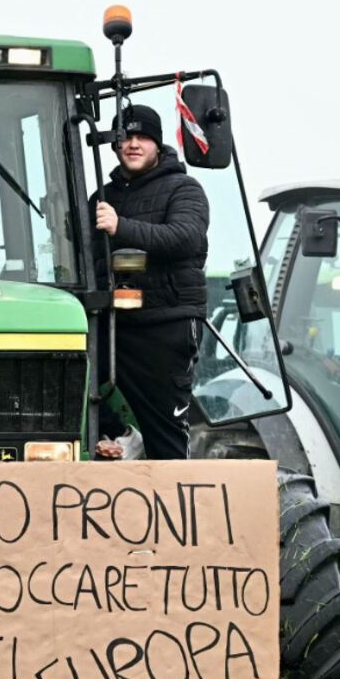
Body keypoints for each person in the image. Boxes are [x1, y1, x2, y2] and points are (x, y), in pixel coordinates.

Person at [90, 104, 210, 460]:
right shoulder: (101, 197)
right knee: (64, 372)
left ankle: (172, 496)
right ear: (114, 145)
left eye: (143, 137)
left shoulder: (184, 189)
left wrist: (120, 226)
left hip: (166, 323)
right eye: (126, 136)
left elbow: (185, 237)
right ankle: (121, 435)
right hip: (112, 322)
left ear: (157, 145)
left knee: (166, 435)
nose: (134, 144)